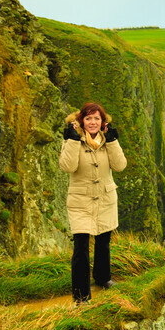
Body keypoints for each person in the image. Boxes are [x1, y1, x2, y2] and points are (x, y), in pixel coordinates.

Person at [58, 102, 127, 303]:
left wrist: (113, 141)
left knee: (104, 242)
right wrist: (71, 140)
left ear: (103, 122)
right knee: (81, 248)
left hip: (105, 198)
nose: (93, 122)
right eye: (88, 118)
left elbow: (120, 166)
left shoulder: (108, 140)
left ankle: (103, 278)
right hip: (81, 200)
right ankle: (81, 296)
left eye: (97, 118)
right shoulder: (73, 140)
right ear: (81, 121)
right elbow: (67, 166)